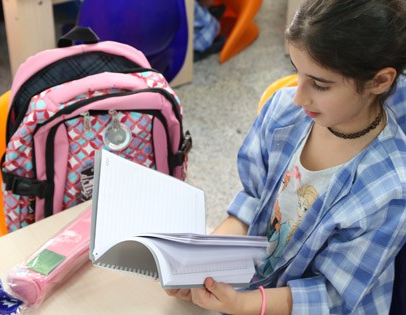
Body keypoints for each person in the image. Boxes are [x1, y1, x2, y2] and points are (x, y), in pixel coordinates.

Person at [166, 0, 406, 313]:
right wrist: (204, 263)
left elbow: (333, 294)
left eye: (320, 84)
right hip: (258, 284)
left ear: (380, 81)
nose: (297, 96)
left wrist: (246, 304)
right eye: (296, 72)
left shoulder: (389, 188)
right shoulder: (284, 111)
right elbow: (253, 198)